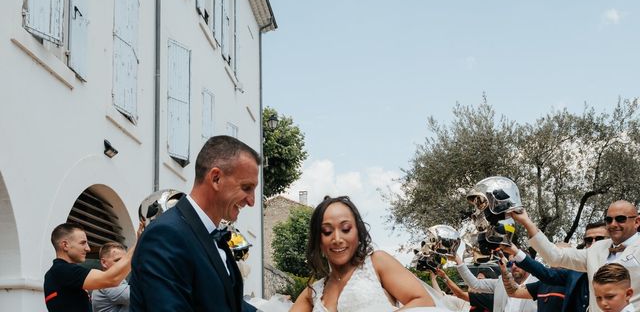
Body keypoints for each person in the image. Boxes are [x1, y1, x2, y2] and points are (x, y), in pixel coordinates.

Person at [130, 135, 260, 312]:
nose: (252, 201)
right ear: (216, 178)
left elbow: (225, 303)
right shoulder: (166, 235)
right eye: (246, 188)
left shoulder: (211, 234)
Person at [290, 195, 436, 311]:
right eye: (327, 232)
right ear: (318, 240)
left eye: (346, 229)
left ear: (358, 233)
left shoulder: (377, 263)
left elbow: (424, 303)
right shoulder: (314, 291)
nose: (337, 239)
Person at [510, 200, 640, 311]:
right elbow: (556, 257)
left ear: (637, 222)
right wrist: (526, 221)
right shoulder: (597, 249)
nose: (613, 224)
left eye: (620, 219)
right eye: (608, 220)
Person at [500, 222, 609, 312]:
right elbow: (514, 292)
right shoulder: (546, 282)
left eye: (599, 239)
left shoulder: (577, 279)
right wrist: (505, 269)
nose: (594, 243)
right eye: (589, 240)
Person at [44, 222, 140, 312]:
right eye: (82, 243)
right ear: (65, 245)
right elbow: (112, 279)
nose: (88, 248)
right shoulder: (63, 270)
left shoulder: (55, 273)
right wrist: (139, 243)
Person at [455, 252, 538, 312]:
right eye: (511, 263)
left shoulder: (539, 285)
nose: (514, 266)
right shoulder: (501, 282)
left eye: (517, 263)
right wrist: (457, 259)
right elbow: (475, 284)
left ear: (527, 263)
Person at [92, 242, 131, 312]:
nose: (123, 264)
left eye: (124, 261)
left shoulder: (116, 280)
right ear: (104, 263)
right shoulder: (106, 282)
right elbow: (141, 294)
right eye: (118, 260)